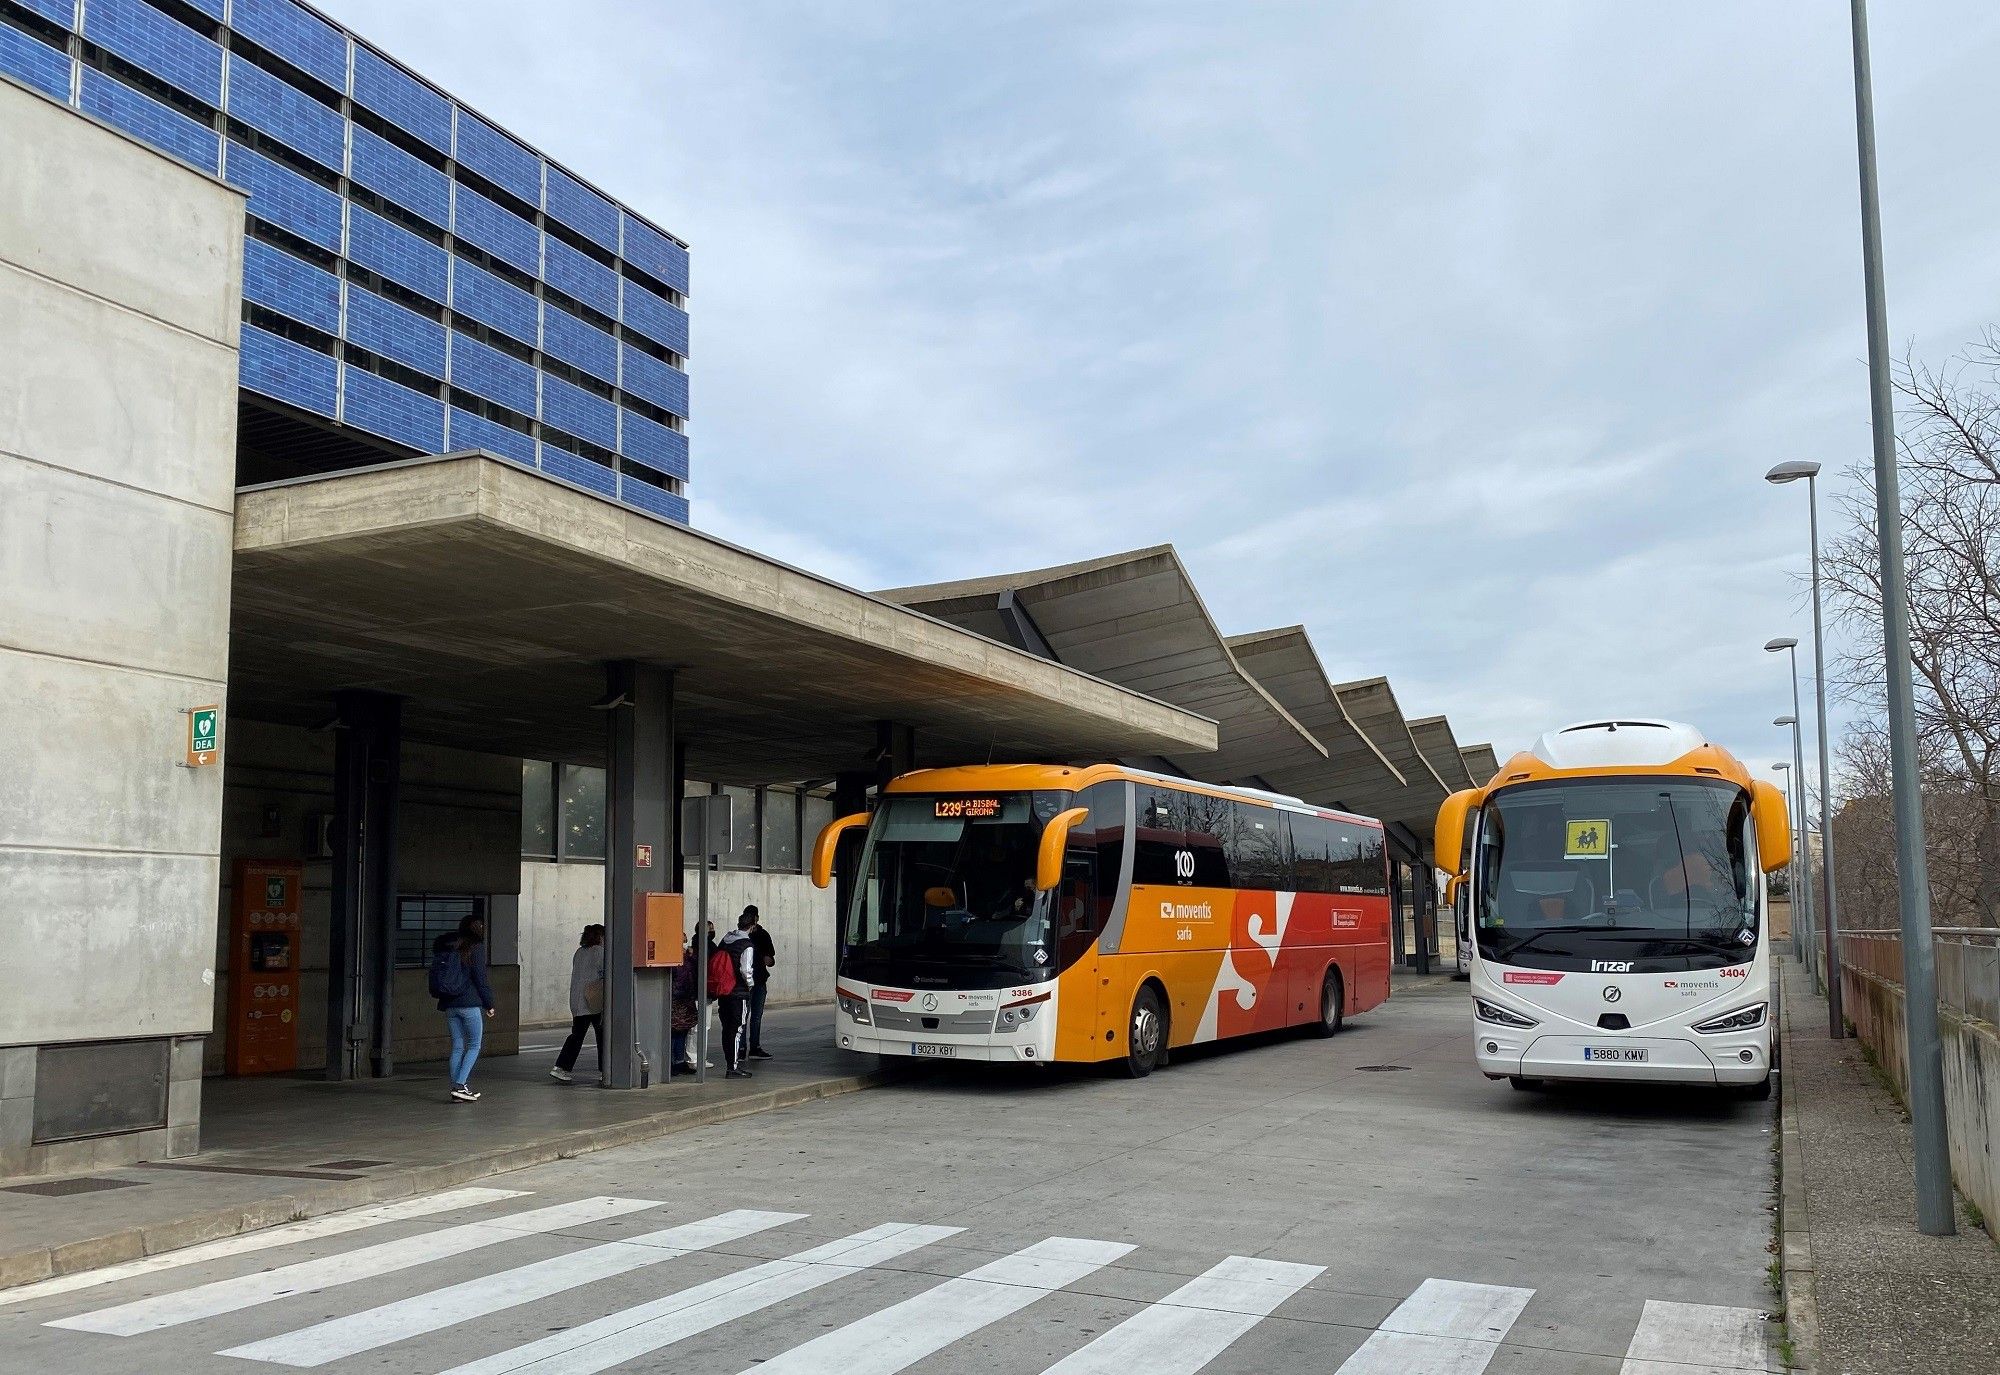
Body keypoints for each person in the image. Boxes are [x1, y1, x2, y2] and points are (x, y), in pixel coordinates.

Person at [430, 914, 495, 1103]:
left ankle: (458, 1088)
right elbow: (480, 979)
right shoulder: (476, 947)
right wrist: (489, 1004)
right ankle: (460, 1085)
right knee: (474, 1045)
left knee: (457, 1047)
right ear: (478, 928)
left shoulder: (452, 946)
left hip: (450, 1004)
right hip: (469, 1004)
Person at [549, 924, 605, 1084]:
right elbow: (605, 974)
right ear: (600, 937)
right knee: (603, 1036)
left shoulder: (579, 952)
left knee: (576, 1036)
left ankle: (560, 1067)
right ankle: (606, 1069)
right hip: (594, 1001)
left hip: (577, 1001)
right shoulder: (600, 952)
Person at [716, 919, 757, 1078]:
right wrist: (750, 985)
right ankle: (732, 1067)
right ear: (752, 926)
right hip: (738, 993)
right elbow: (746, 970)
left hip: (724, 991)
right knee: (737, 1029)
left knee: (727, 1029)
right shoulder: (747, 944)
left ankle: (730, 1063)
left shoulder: (725, 940)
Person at [738, 907, 776, 1059]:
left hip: (755, 981)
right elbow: (770, 959)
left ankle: (747, 1048)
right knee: (750, 1016)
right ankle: (747, 1048)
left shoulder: (761, 935)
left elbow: (770, 958)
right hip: (751, 982)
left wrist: (767, 960)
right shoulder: (743, 936)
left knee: (750, 1016)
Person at [670, 932, 699, 1074]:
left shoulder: (687, 957)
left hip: (683, 998)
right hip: (679, 998)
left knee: (681, 1030)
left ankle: (678, 1061)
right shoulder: (678, 958)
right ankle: (674, 1062)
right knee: (676, 1031)